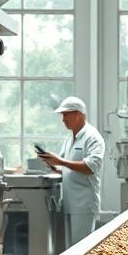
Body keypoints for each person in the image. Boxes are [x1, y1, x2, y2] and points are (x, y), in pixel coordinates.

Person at [37, 96, 105, 246]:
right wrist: (54, 165)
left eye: (66, 114)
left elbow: (91, 167)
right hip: (69, 203)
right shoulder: (70, 139)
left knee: (81, 251)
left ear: (79, 114)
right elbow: (68, 168)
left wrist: (60, 161)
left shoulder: (93, 138)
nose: (63, 119)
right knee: (72, 249)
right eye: (62, 115)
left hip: (84, 204)